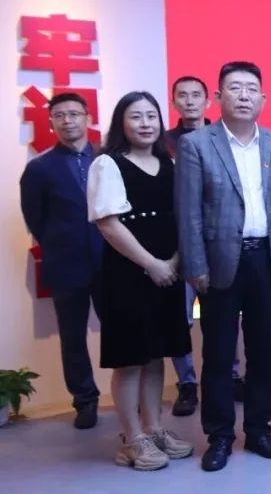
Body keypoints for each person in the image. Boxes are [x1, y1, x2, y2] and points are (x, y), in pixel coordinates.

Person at [175, 61, 271, 472]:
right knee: (220, 355)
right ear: (218, 97)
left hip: (267, 259)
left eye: (251, 88)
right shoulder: (196, 144)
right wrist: (195, 266)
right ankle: (220, 436)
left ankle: (258, 429)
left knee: (264, 354)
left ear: (263, 99)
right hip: (220, 262)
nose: (244, 95)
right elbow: (187, 211)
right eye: (235, 87)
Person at [88, 91, 194, 470]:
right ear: (122, 122)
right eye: (136, 116)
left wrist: (174, 261)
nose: (145, 123)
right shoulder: (108, 164)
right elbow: (108, 224)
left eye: (151, 116)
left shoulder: (169, 163)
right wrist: (152, 264)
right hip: (127, 274)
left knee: (156, 354)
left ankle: (154, 429)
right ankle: (132, 439)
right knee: (130, 359)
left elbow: (182, 217)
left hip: (168, 272)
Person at [19, 92, 103, 430]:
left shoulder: (107, 158)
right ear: (51, 122)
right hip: (66, 264)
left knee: (122, 328)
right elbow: (36, 220)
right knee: (72, 337)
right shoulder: (39, 168)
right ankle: (85, 400)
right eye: (59, 115)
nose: (67, 121)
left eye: (74, 114)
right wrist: (63, 243)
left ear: (88, 118)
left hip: (111, 261)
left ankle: (130, 395)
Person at [162, 75, 242, 417]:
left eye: (196, 95)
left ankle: (232, 375)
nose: (190, 101)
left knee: (224, 319)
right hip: (174, 248)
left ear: (209, 100)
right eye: (183, 96)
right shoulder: (162, 144)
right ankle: (186, 382)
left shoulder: (223, 138)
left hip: (219, 247)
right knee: (179, 321)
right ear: (174, 102)